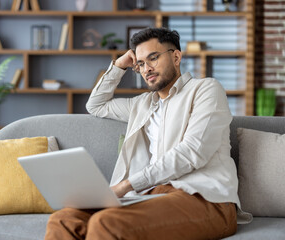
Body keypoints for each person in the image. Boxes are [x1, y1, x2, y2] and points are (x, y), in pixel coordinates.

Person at [44, 27, 251, 240]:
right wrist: (119, 65)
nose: (146, 69)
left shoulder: (205, 89)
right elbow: (95, 105)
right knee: (64, 220)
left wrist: (126, 185)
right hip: (152, 197)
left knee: (106, 224)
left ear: (176, 56)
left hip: (206, 199)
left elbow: (192, 152)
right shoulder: (141, 104)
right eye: (141, 64)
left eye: (153, 58)